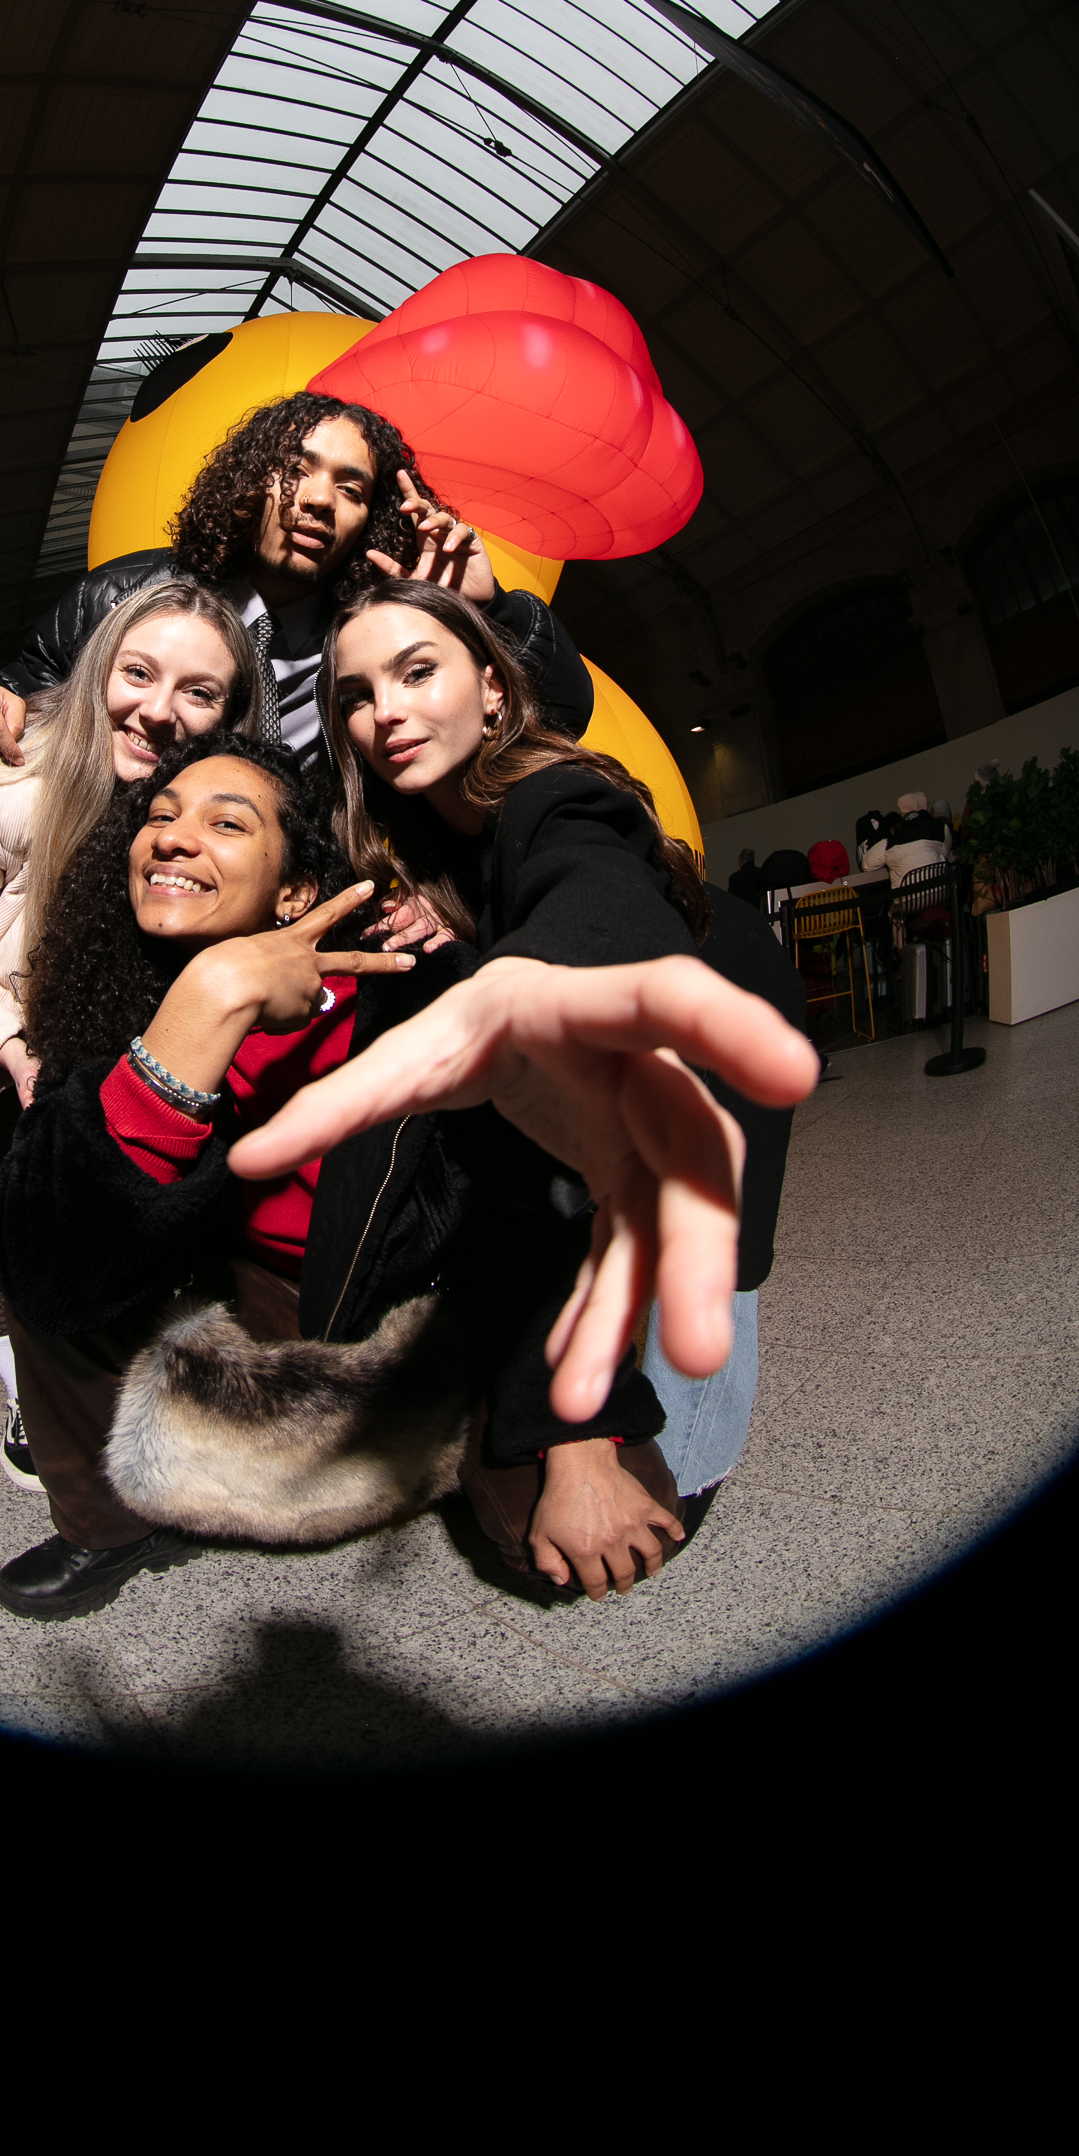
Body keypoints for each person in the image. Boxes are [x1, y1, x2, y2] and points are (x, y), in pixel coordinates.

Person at [0, 733, 749, 1618]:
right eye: (159, 817)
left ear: (295, 893)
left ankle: (455, 1442)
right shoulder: (114, 1009)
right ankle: (109, 1529)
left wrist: (576, 1437)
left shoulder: (412, 995)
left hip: (439, 1307)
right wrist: (203, 1005)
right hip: (262, 1295)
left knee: (569, 1544)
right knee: (46, 1229)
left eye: (226, 823)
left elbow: (552, 1203)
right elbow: (44, 1268)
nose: (173, 838)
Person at [323, 577, 815, 1544]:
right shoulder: (416, 845)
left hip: (723, 1014)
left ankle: (695, 1475)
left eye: (418, 672)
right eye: (357, 696)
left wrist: (517, 985)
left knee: (712, 1259)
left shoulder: (556, 795)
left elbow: (592, 892)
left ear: (492, 690)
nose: (388, 712)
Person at [0, 578, 260, 1491]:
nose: (158, 711)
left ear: (231, 715)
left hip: (69, 1027)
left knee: (59, 1199)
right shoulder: (8, 783)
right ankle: (23, 1393)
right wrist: (8, 1050)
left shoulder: (209, 810)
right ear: (98, 668)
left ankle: (81, 1366)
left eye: (198, 692)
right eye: (138, 673)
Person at [0, 390, 593, 782]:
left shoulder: (372, 639)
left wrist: (490, 611)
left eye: (350, 488)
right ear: (250, 482)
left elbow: (557, 714)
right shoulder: (127, 591)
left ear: (370, 520)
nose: (318, 500)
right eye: (295, 470)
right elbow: (33, 681)